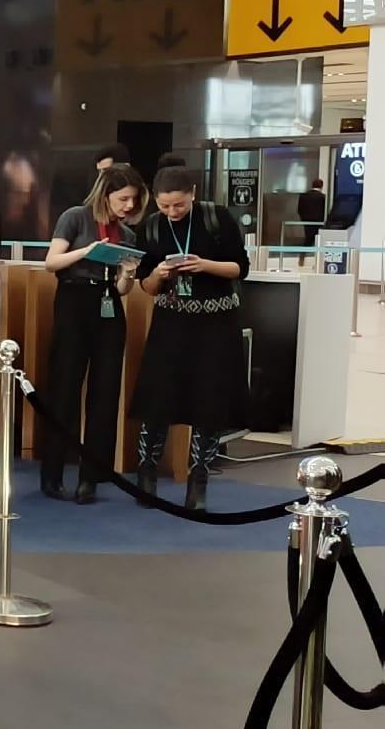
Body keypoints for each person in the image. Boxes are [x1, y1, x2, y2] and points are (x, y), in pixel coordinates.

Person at [130, 166, 250, 512]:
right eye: (165, 205)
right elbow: (147, 286)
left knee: (208, 402)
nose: (172, 211)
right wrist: (158, 273)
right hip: (171, 323)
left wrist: (205, 265)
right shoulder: (151, 226)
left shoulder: (216, 218)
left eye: (179, 205)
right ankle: (146, 474)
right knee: (158, 400)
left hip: (216, 323)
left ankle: (199, 480)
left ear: (193, 193)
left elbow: (240, 268)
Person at [40, 164, 147, 504]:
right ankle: (52, 473)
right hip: (74, 300)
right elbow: (52, 262)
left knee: (105, 392)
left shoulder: (126, 234)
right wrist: (86, 251)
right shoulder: (75, 217)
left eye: (134, 200)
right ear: (106, 194)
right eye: (123, 198)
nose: (129, 206)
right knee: (64, 388)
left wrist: (128, 274)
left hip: (109, 304)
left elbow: (123, 289)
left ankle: (91, 477)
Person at [299, 178, 327, 249]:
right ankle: (306, 252)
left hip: (306, 221)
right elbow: (324, 210)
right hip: (318, 221)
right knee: (314, 238)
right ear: (321, 186)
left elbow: (300, 209)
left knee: (308, 237)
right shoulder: (322, 197)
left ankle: (304, 253)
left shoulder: (303, 196)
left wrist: (303, 218)